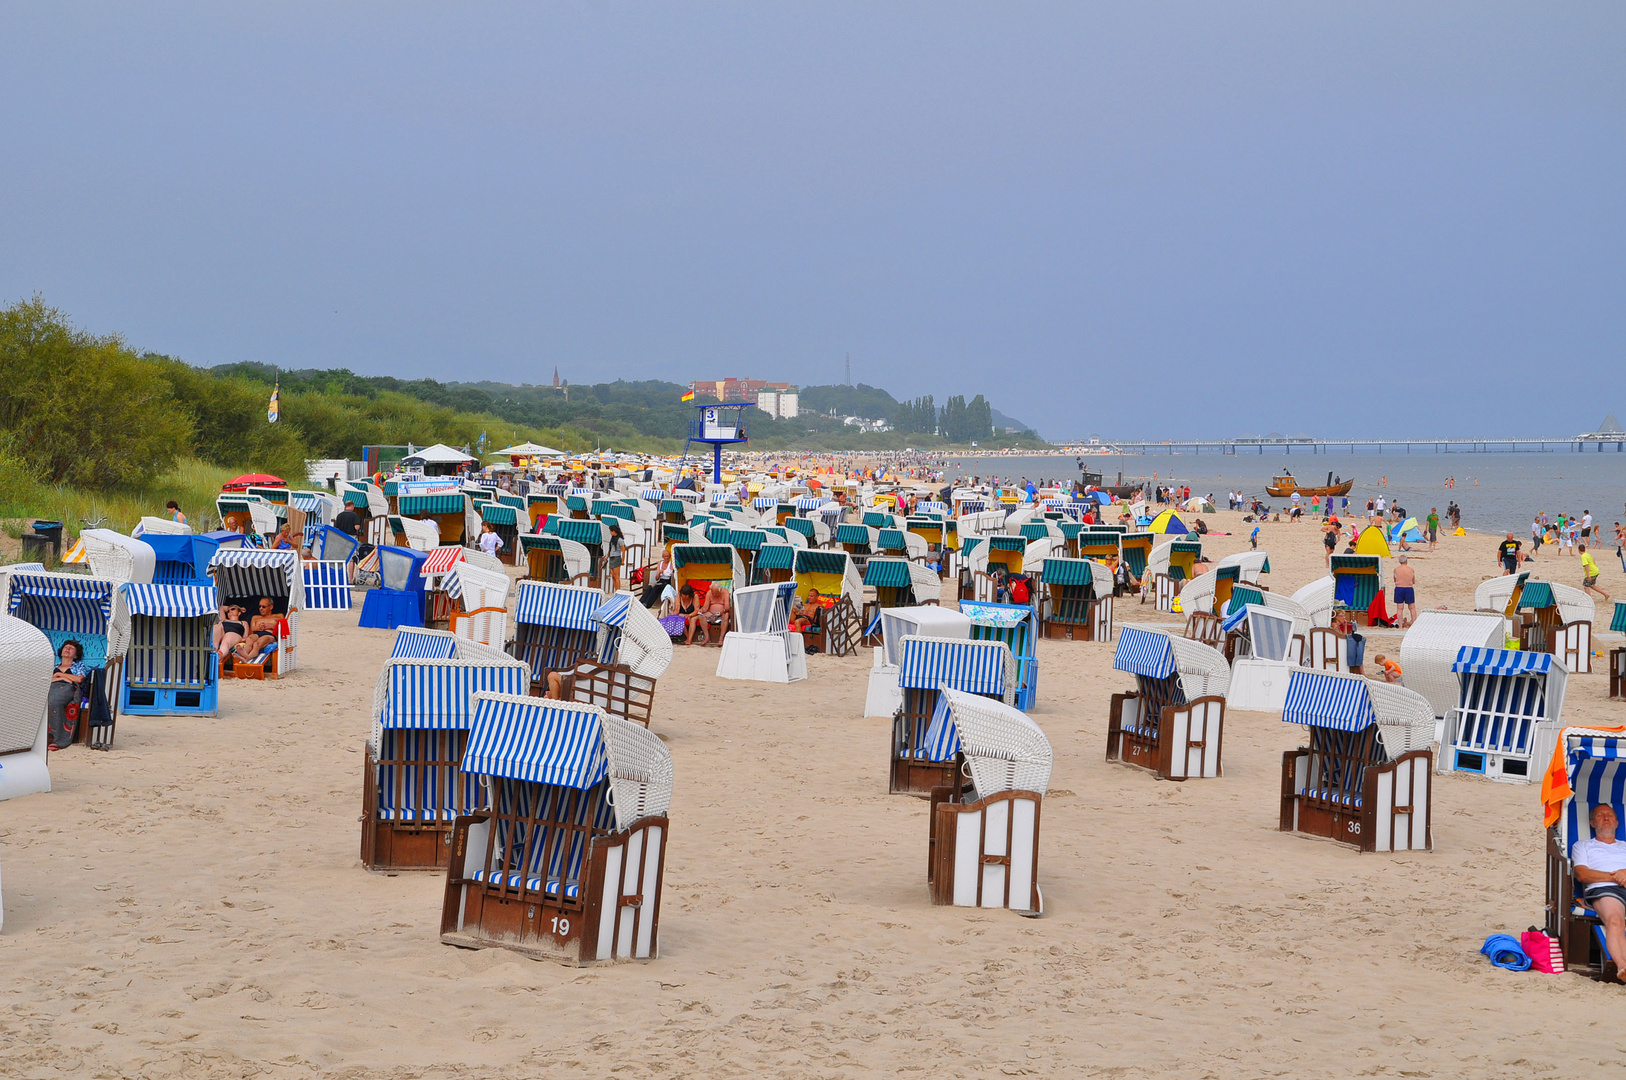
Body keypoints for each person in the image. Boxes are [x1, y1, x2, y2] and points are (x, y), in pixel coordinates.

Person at [1573, 804, 1626, 984]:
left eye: (1609, 815)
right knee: (1615, 920)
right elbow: (1582, 874)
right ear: (1592, 822)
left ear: (1617, 822)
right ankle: (1622, 966)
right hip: (1604, 889)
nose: (1605, 818)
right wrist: (1616, 877)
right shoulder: (1583, 846)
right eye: (1600, 815)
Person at [48, 640, 89, 749]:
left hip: (70, 689)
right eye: (66, 647)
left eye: (71, 648)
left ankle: (57, 740)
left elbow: (79, 679)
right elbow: (45, 680)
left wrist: (58, 675)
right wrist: (62, 677)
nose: (67, 649)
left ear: (75, 655)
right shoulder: (53, 665)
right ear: (61, 652)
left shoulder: (79, 665)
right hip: (51, 687)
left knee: (54, 702)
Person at [232, 597, 281, 663]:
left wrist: (271, 626)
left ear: (271, 607)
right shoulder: (255, 618)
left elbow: (283, 630)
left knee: (256, 643)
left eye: (263, 607)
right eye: (259, 606)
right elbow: (250, 632)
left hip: (269, 634)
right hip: (257, 634)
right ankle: (244, 653)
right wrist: (256, 628)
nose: (261, 608)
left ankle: (246, 658)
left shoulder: (278, 616)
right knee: (250, 639)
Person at [1392, 554, 1417, 628]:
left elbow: (1394, 579)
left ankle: (1400, 625)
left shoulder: (1396, 569)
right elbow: (1413, 580)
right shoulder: (1410, 569)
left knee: (1399, 608)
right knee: (1412, 607)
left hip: (1399, 588)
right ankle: (1414, 624)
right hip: (1408, 588)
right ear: (1406, 561)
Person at [604, 521, 625, 591]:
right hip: (611, 557)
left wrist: (623, 560)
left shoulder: (620, 540)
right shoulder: (612, 539)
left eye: (611, 531)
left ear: (614, 531)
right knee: (612, 575)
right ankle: (616, 589)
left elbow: (623, 550)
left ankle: (618, 590)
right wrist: (607, 556)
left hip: (616, 557)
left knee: (616, 575)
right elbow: (611, 548)